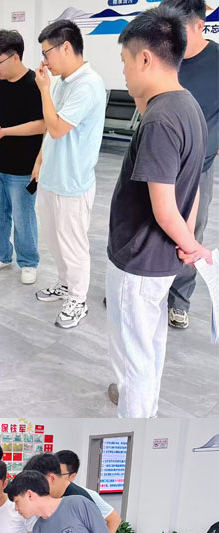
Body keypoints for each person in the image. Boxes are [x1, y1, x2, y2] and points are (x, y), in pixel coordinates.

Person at [106, 10, 209, 419]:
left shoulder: (161, 120)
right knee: (150, 343)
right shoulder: (188, 106)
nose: (124, 73)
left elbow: (164, 207)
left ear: (145, 59)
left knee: (135, 354)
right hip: (161, 258)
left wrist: (191, 246)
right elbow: (193, 185)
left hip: (139, 259)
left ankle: (135, 416)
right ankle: (141, 404)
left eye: (125, 62)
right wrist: (189, 241)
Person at [33, 21, 106, 329]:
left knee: (73, 246)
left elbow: (58, 128)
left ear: (66, 47)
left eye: (47, 52)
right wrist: (39, 160)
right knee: (54, 240)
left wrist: (43, 89)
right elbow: (49, 128)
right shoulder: (62, 81)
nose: (45, 60)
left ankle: (78, 299)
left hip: (72, 183)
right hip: (52, 177)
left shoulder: (88, 84)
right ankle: (65, 284)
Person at [164, 0, 219, 330]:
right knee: (153, 225)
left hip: (199, 167)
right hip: (160, 163)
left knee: (190, 233)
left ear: (200, 25)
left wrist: (208, 148)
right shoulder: (165, 56)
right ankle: (146, 288)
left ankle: (179, 300)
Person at [0, 31, 44, 284]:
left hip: (23, 167)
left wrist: (6, 131)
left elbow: (41, 124)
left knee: (23, 217)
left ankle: (28, 262)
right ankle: (1, 255)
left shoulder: (35, 84)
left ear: (15, 57)